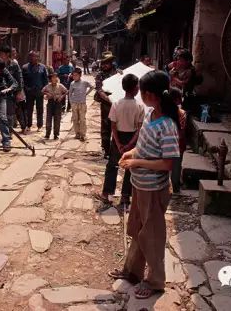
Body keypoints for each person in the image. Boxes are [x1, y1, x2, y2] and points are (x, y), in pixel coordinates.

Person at [108, 70, 181, 299]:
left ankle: (155, 281)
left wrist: (137, 161)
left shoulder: (168, 125)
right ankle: (132, 271)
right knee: (138, 230)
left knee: (152, 235)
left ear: (150, 95)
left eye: (142, 93)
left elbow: (168, 163)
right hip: (140, 184)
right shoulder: (150, 115)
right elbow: (143, 144)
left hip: (153, 189)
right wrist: (130, 152)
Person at [96, 74, 144, 208]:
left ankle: (107, 193)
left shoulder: (116, 104)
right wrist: (130, 143)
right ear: (135, 88)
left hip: (118, 137)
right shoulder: (139, 106)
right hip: (132, 138)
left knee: (112, 165)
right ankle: (125, 196)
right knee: (130, 167)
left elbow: (113, 126)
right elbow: (139, 128)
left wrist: (117, 143)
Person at [95, 52, 119, 159]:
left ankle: (117, 148)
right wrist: (109, 100)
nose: (105, 65)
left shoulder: (118, 72)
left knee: (118, 126)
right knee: (106, 126)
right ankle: (106, 149)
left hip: (118, 102)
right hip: (106, 104)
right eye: (103, 63)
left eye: (107, 63)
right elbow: (100, 90)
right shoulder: (100, 75)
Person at [21, 51, 48, 132]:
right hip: (29, 92)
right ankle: (28, 125)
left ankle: (39, 125)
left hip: (40, 92)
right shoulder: (25, 67)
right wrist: (26, 88)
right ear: (29, 57)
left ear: (38, 57)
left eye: (35, 56)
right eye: (32, 56)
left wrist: (44, 90)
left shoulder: (42, 67)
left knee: (40, 109)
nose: (34, 58)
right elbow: (22, 80)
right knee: (29, 109)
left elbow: (45, 80)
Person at [169, 87, 187, 193]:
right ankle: (175, 187)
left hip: (165, 142)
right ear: (176, 99)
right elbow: (182, 131)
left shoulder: (162, 112)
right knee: (176, 165)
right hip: (178, 143)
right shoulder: (182, 113)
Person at [68, 68, 94, 141]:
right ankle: (77, 133)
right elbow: (70, 94)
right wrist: (71, 103)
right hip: (74, 103)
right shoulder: (72, 83)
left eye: (76, 75)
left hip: (82, 104)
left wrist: (86, 93)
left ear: (80, 75)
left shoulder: (84, 82)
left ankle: (83, 134)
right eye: (73, 75)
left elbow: (92, 87)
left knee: (82, 119)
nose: (74, 77)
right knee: (75, 119)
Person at [42, 73, 68, 140]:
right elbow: (42, 91)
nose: (54, 79)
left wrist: (61, 97)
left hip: (58, 104)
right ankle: (47, 134)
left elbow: (66, 91)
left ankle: (56, 135)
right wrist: (47, 93)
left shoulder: (60, 86)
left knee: (57, 120)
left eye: (56, 77)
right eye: (53, 77)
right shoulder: (48, 86)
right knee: (48, 120)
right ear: (51, 79)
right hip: (50, 103)